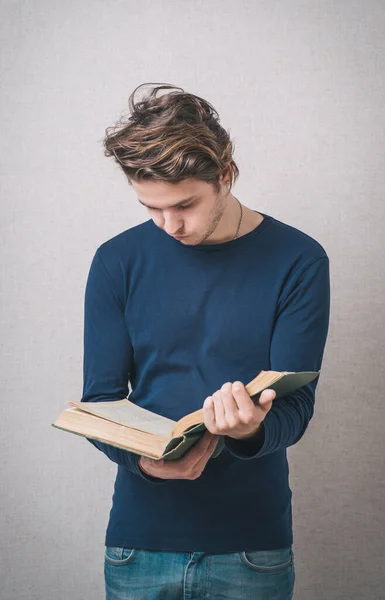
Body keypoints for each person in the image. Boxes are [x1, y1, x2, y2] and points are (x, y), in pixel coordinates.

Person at [80, 82, 330, 600]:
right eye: (151, 208)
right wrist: (145, 462)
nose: (169, 225)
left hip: (250, 546)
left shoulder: (300, 260)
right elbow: (99, 402)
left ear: (226, 175)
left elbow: (296, 406)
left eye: (184, 205)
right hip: (139, 543)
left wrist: (247, 432)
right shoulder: (116, 261)